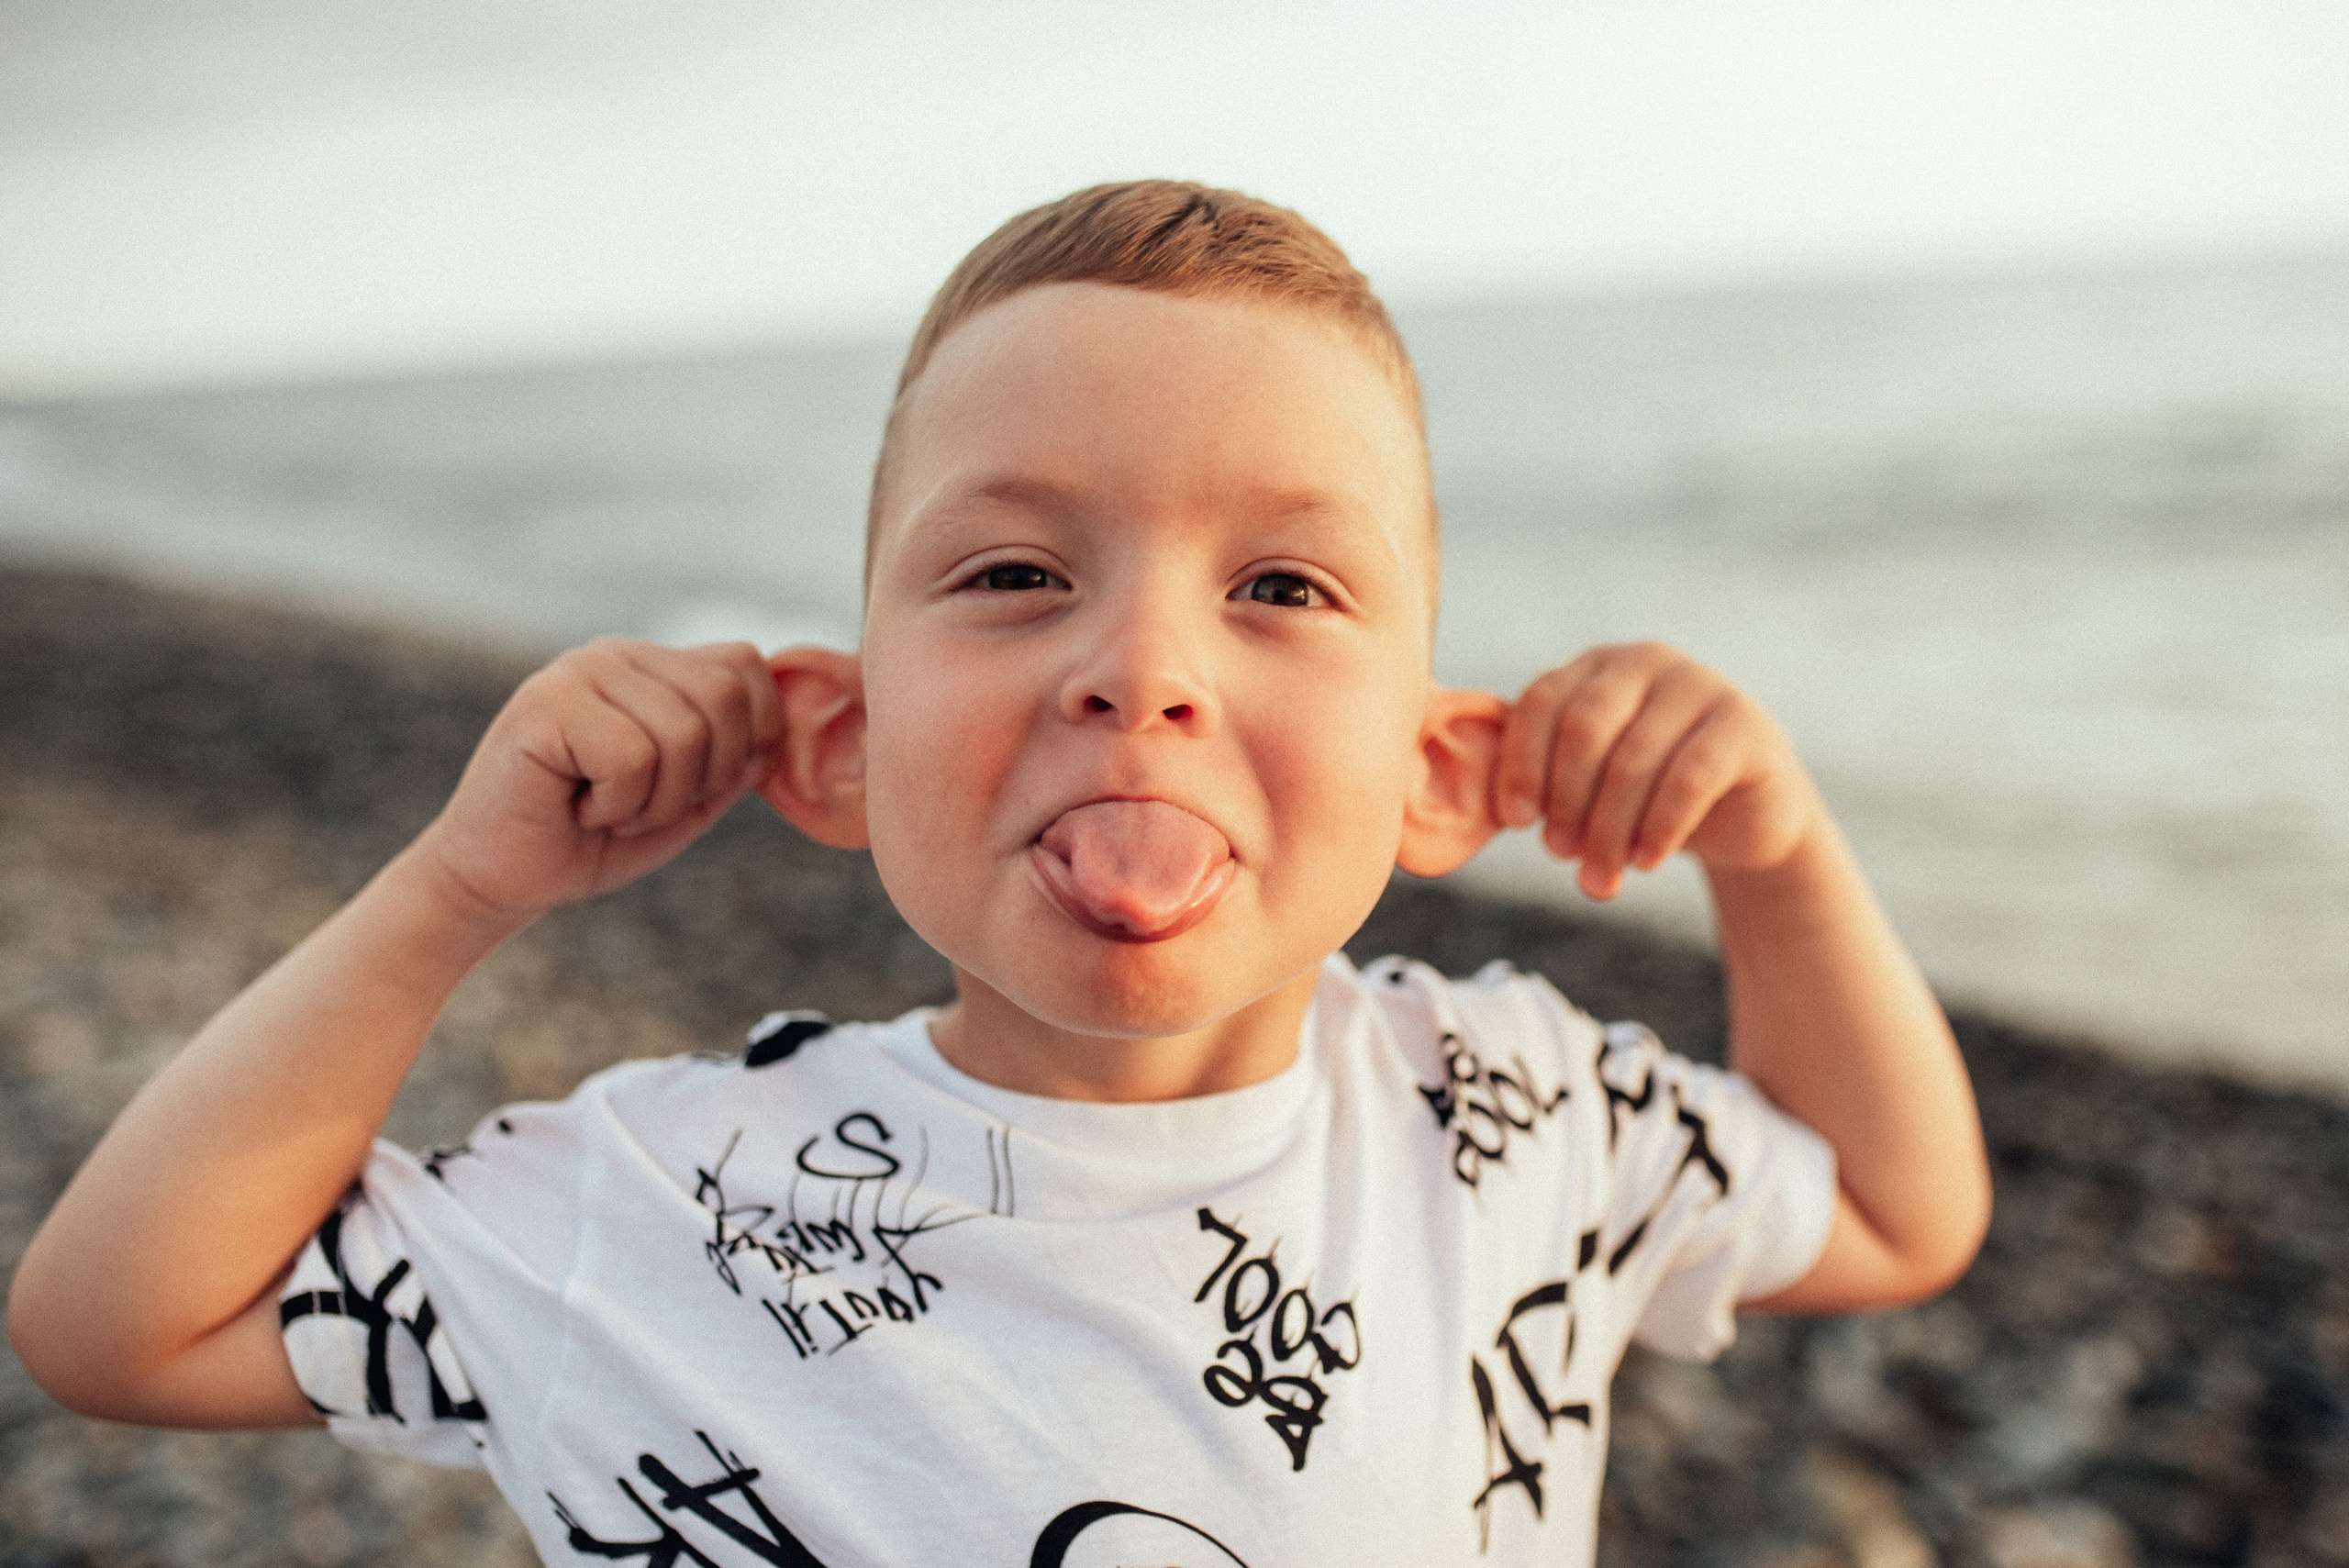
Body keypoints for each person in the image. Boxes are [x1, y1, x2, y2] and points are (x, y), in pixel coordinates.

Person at [7, 181, 1989, 1565]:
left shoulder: (1517, 1116)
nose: (1139, 668)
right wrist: (458, 885)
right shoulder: (660, 1207)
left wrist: (1775, 854)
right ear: (844, 742)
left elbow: (1900, 1214)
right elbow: (119, 1326)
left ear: (1431, 772)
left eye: (1282, 586)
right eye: (1014, 575)